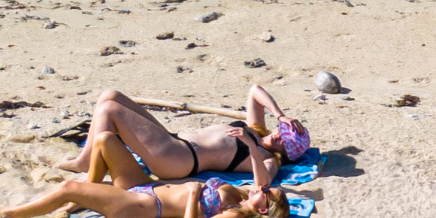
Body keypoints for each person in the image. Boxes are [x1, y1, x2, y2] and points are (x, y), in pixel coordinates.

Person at [57, 84, 310, 190]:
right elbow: (255, 90)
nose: (279, 135)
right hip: (174, 139)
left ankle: (84, 164)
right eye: (282, 131)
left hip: (179, 158)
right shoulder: (256, 127)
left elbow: (262, 183)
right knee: (110, 96)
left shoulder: (269, 159)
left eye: (285, 140)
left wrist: (249, 147)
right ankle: (85, 159)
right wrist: (280, 115)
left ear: (288, 152)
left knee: (109, 111)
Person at [0, 177, 291, 218]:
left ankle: (9, 214)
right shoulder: (238, 197)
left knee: (68, 187)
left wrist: (194, 193)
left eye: (268, 193)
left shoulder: (235, 217)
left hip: (143, 207)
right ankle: (71, 203)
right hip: (147, 193)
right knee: (104, 145)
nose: (263, 188)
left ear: (263, 210)